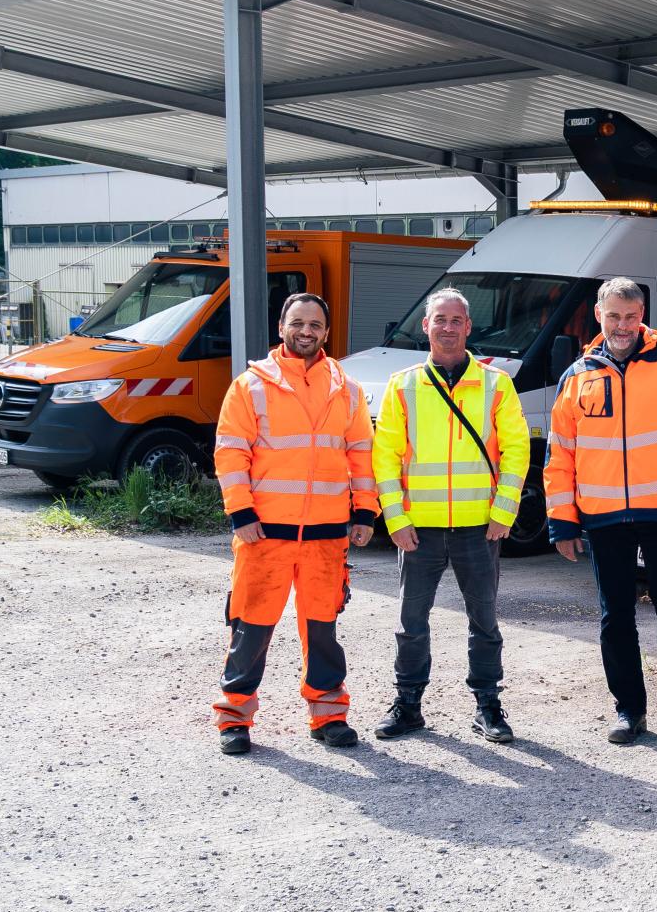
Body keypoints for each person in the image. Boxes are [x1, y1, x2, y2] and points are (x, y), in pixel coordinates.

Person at [545, 277, 657, 750]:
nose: (623, 325)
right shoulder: (578, 375)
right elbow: (560, 453)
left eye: (631, 315)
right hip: (603, 520)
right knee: (614, 618)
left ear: (643, 315)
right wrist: (562, 520)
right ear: (598, 316)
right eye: (614, 315)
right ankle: (629, 712)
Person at [211, 293, 378, 754]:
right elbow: (230, 453)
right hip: (263, 532)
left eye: (316, 325)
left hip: (326, 535)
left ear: (326, 332)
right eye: (298, 322)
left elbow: (361, 454)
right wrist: (240, 512)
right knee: (251, 626)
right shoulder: (250, 385)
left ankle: (328, 715)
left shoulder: (346, 387)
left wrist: (365, 511)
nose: (307, 331)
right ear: (281, 326)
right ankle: (234, 717)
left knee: (323, 630)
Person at [370, 288, 531, 744]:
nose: (447, 327)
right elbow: (385, 456)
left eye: (455, 320)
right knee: (411, 622)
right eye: (439, 319)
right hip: (418, 528)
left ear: (467, 327)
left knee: (485, 621)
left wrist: (504, 510)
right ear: (426, 326)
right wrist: (396, 520)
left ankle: (487, 707)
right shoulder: (402, 385)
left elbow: (518, 450)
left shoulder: (496, 383)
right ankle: (408, 704)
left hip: (479, 526)